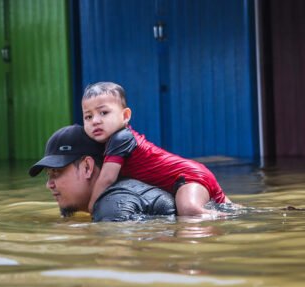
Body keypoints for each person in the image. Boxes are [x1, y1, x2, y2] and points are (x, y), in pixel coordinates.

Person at [82, 81, 232, 217]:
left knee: (188, 211)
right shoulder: (114, 140)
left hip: (187, 177)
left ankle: (222, 218)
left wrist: (91, 205)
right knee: (232, 207)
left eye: (104, 113)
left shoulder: (120, 138)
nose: (95, 121)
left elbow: (107, 178)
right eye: (88, 117)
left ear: (125, 116)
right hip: (188, 175)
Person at [28, 124, 176, 222]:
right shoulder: (117, 196)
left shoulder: (112, 204)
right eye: (49, 175)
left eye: (56, 172)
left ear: (87, 167)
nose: (49, 184)